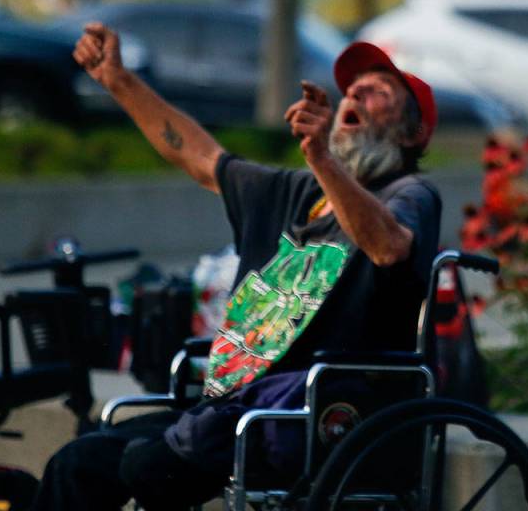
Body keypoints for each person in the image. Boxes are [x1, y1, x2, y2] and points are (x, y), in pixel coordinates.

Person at [32, 27, 441, 510]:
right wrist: (118, 80)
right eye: (353, 88)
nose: (355, 92)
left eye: (379, 91)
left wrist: (323, 160)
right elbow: (200, 156)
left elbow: (390, 247)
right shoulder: (295, 194)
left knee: (146, 470)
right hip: (228, 408)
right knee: (75, 465)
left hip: (303, 418)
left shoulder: (409, 193)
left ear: (413, 132)